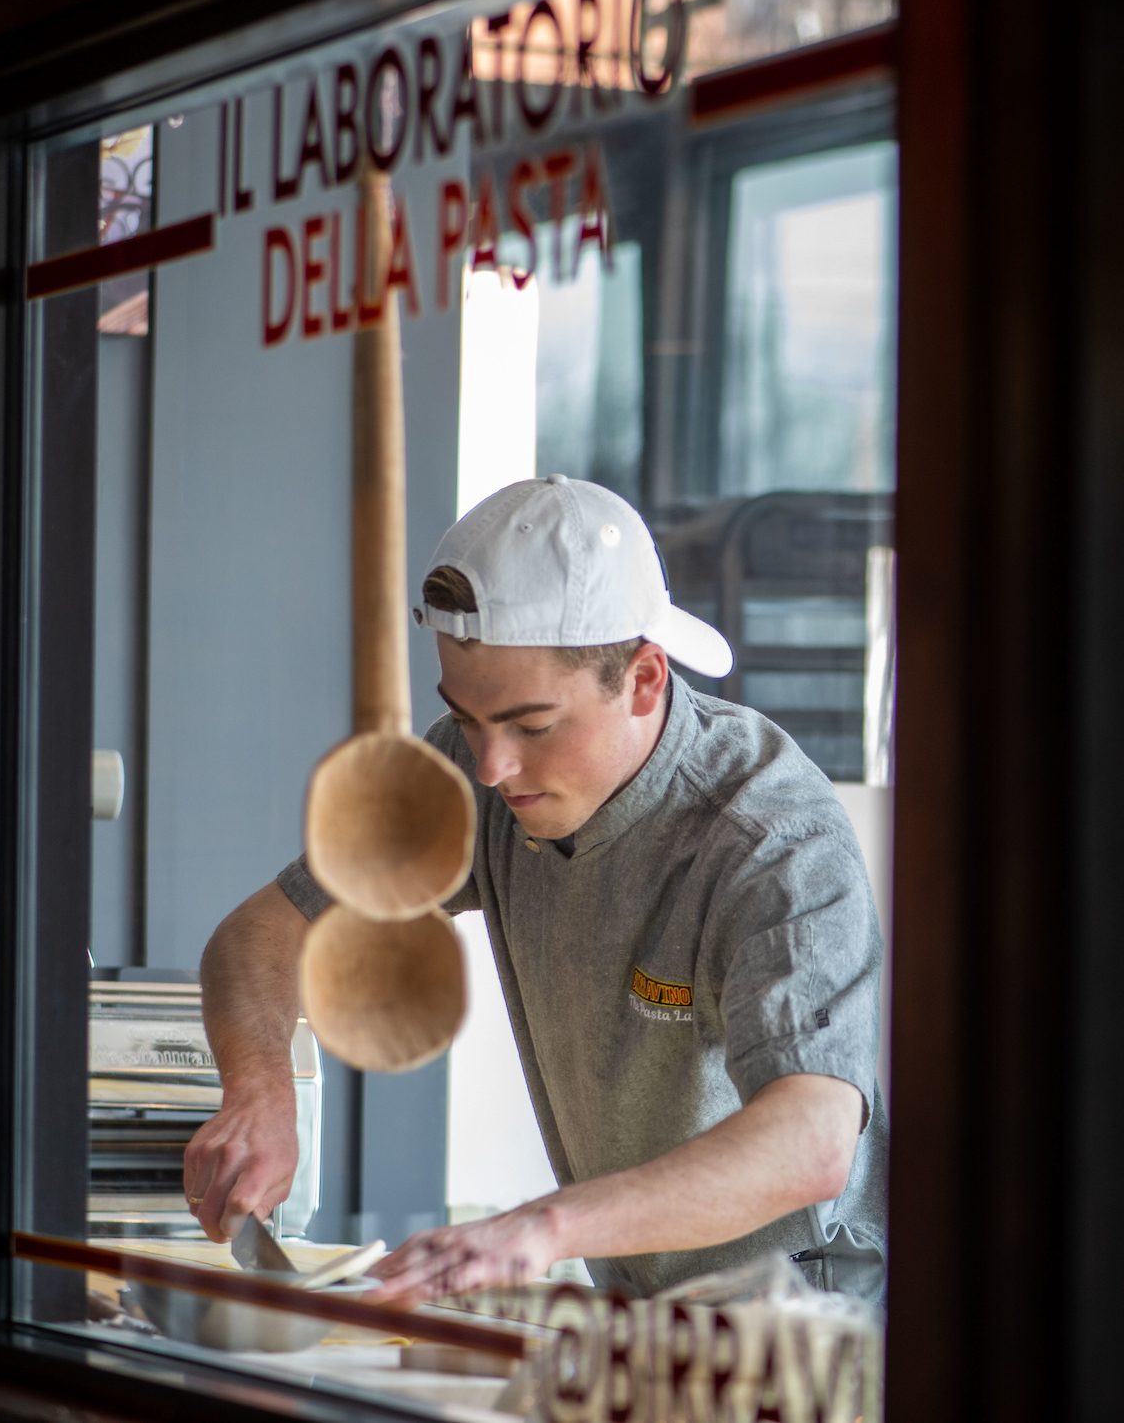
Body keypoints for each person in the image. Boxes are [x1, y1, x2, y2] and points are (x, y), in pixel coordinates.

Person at [183, 474, 886, 1303]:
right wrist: (260, 1089)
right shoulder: (476, 773)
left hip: (808, 1314)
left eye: (533, 725)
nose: (491, 766)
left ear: (644, 680)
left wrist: (541, 1229)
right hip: (633, 1305)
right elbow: (261, 934)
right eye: (467, 719)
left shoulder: (770, 841)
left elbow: (812, 1140)